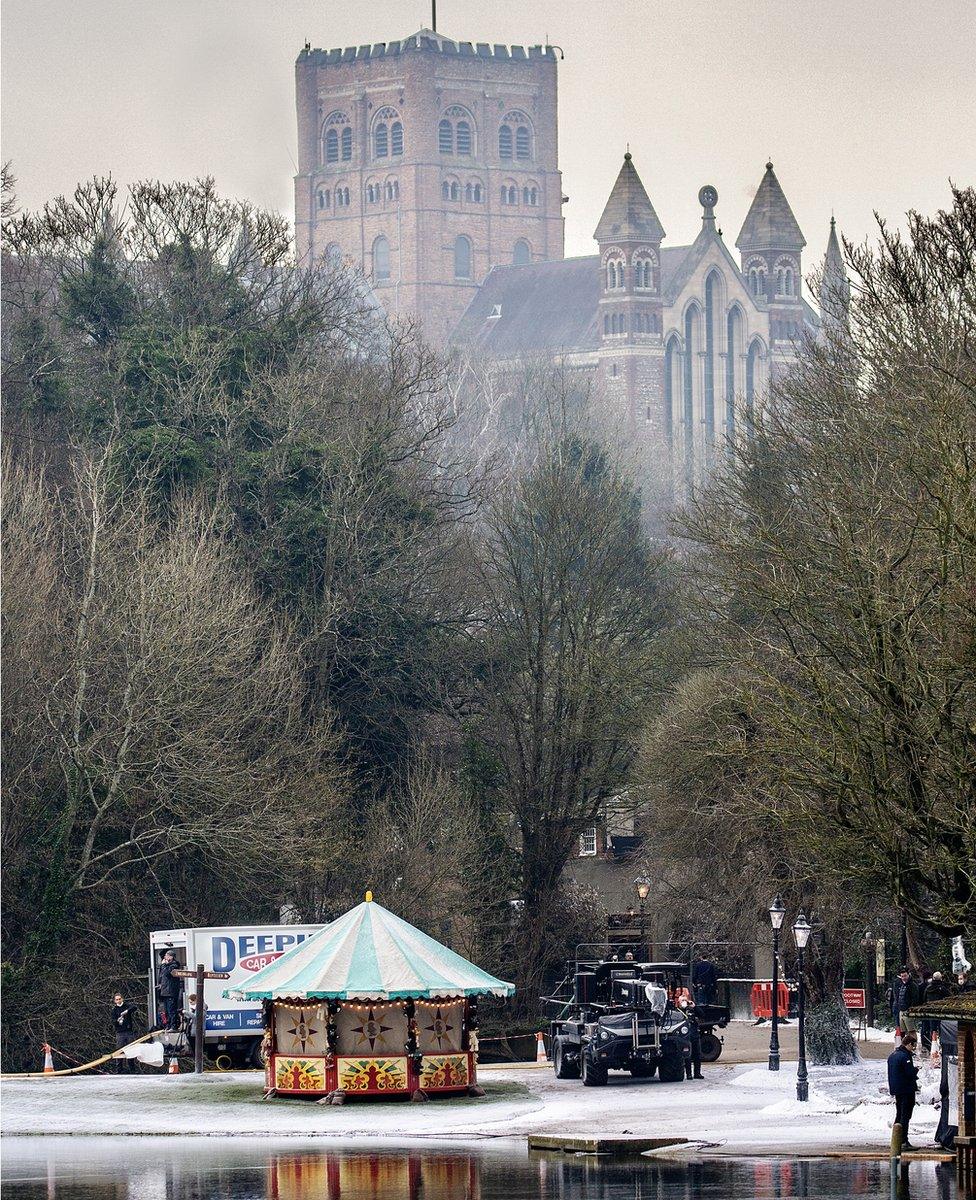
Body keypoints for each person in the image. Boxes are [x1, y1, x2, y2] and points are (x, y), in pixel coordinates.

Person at [887, 1030, 920, 1149]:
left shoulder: (893, 1055)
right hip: (906, 1089)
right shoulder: (905, 1056)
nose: (914, 1049)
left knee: (899, 1113)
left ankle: (896, 1139)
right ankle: (903, 1141)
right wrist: (916, 1070)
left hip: (897, 1090)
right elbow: (908, 1073)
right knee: (905, 1115)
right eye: (913, 1046)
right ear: (909, 1044)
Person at [922, 971, 950, 1052]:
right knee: (942, 1030)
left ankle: (932, 1046)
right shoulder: (943, 988)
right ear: (941, 978)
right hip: (941, 1012)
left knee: (932, 1029)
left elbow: (924, 999)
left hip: (930, 1012)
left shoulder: (928, 988)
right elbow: (948, 998)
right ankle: (942, 1047)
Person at [678, 995, 704, 1079]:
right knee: (687, 1056)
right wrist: (682, 1007)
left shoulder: (692, 1010)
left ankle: (697, 1073)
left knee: (697, 1054)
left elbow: (702, 1015)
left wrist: (694, 1007)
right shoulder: (678, 1011)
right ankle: (688, 1074)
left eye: (685, 1000)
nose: (684, 1002)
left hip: (694, 1034)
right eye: (682, 1001)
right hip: (685, 1036)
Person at [112, 993, 138, 1074]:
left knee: (131, 1050)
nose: (118, 1000)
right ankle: (119, 1070)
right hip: (120, 1032)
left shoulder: (126, 1006)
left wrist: (127, 1011)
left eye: (119, 999)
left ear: (122, 999)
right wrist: (117, 1021)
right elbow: (113, 1021)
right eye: (117, 999)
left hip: (129, 1031)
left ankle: (132, 1070)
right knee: (119, 1051)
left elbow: (134, 1007)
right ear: (114, 1001)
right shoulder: (114, 1010)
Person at [157, 950, 183, 1030]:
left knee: (172, 1010)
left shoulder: (174, 965)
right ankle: (168, 1025)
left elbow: (167, 973)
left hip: (171, 991)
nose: (165, 957)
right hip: (165, 991)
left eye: (167, 955)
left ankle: (173, 1025)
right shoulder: (166, 965)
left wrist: (164, 964)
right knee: (166, 1010)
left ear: (171, 957)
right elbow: (161, 975)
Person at [890, 966, 920, 1034]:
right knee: (902, 1030)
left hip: (908, 1010)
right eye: (902, 976)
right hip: (901, 1009)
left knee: (911, 1030)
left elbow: (915, 998)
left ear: (908, 974)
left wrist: (911, 1008)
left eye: (905, 976)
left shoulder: (912, 985)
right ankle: (904, 1043)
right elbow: (897, 997)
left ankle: (912, 1044)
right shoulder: (901, 984)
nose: (904, 978)